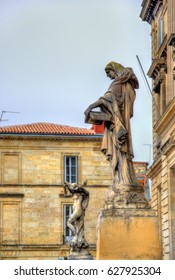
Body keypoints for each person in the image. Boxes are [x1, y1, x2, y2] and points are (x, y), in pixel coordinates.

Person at [84, 61, 139, 187]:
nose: (109, 77)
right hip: (122, 123)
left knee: (119, 152)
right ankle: (124, 178)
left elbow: (105, 99)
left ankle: (123, 180)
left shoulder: (118, 85)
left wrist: (90, 107)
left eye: (109, 73)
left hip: (118, 125)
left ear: (115, 70)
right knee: (122, 153)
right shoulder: (128, 85)